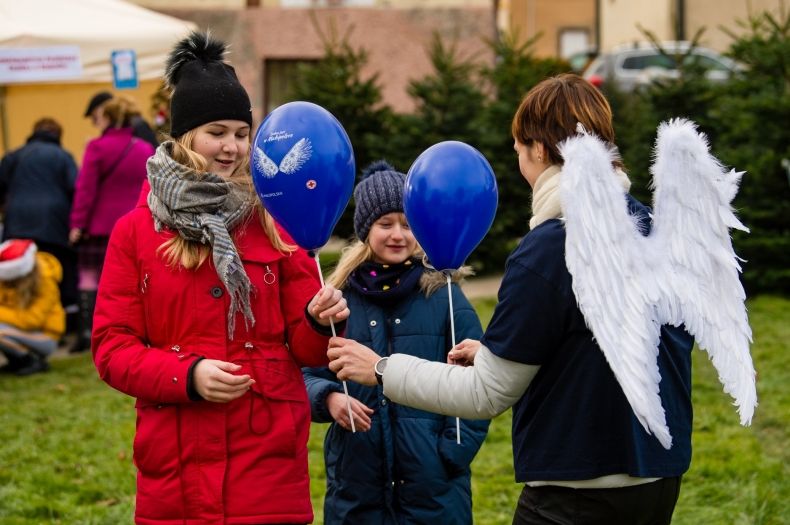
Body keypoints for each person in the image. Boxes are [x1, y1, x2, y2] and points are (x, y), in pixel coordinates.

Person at [328, 74, 696, 524]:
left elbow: (486, 395)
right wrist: (499, 352)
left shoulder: (548, 248)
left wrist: (381, 369)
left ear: (539, 150)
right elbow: (600, 347)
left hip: (576, 491)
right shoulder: (657, 229)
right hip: (657, 481)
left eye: (520, 147)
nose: (519, 158)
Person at [91, 31, 350, 525]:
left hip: (266, 462)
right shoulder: (135, 232)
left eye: (241, 132)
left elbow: (307, 349)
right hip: (177, 465)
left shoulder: (275, 220)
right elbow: (111, 347)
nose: (232, 147)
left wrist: (319, 323)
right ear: (185, 135)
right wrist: (186, 375)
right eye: (217, 132)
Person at [302, 161, 489, 524]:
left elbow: (480, 380)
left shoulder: (443, 295)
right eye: (385, 224)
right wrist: (329, 397)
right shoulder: (338, 299)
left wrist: (452, 452)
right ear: (365, 229)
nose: (398, 235)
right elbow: (305, 372)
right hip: (357, 488)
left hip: (433, 492)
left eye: (408, 224)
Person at [70, 95, 155, 352]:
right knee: (135, 282)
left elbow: (85, 190)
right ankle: (136, 334)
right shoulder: (145, 149)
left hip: (99, 227)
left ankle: (88, 333)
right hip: (136, 224)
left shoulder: (96, 147)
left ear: (107, 117)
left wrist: (77, 224)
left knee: (89, 279)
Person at [0, 118, 78, 338]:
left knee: (19, 276)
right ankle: (62, 327)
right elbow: (76, 189)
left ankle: (18, 325)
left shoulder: (14, 156)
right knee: (55, 275)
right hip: (54, 224)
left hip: (17, 224)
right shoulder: (63, 157)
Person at [0, 239, 65, 376]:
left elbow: (31, 320)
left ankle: (31, 361)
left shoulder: (45, 281)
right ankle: (16, 362)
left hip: (45, 337)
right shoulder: (7, 279)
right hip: (18, 330)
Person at [84, 91, 159, 149]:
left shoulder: (135, 124)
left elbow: (152, 154)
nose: (96, 124)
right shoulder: (115, 129)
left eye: (95, 118)